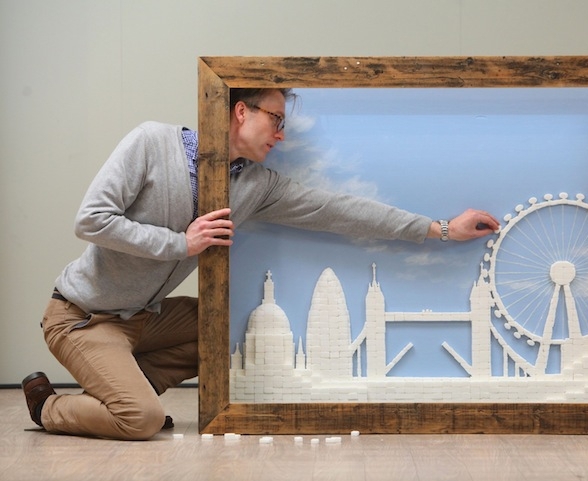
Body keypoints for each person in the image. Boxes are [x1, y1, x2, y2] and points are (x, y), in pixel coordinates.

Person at [22, 88, 500, 440]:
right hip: (82, 318)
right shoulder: (151, 143)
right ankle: (51, 406)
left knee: (228, 331)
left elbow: (340, 210)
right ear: (239, 111)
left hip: (146, 319)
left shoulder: (255, 185)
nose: (281, 132)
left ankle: (127, 387)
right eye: (274, 118)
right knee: (142, 421)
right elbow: (91, 220)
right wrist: (179, 243)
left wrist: (441, 228)